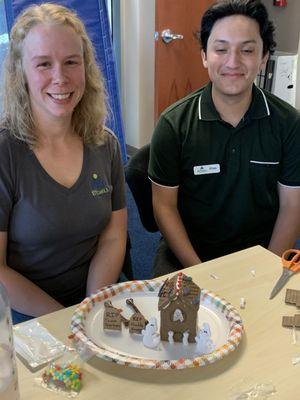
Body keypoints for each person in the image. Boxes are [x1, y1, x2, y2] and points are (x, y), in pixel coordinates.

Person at [148, 0, 300, 277]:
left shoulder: (289, 124)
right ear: (205, 55)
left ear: (264, 56)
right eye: (220, 49)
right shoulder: (173, 124)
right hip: (188, 255)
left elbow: (292, 206)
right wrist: (201, 272)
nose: (233, 62)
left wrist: (266, 269)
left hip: (261, 253)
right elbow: (164, 207)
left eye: (247, 50)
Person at [0, 3, 127, 322]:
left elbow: (113, 238)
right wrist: (64, 321)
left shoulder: (105, 143)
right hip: (25, 310)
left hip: (95, 298)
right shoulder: (5, 153)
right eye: (43, 64)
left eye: (71, 62)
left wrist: (89, 311)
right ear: (20, 73)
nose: (61, 78)